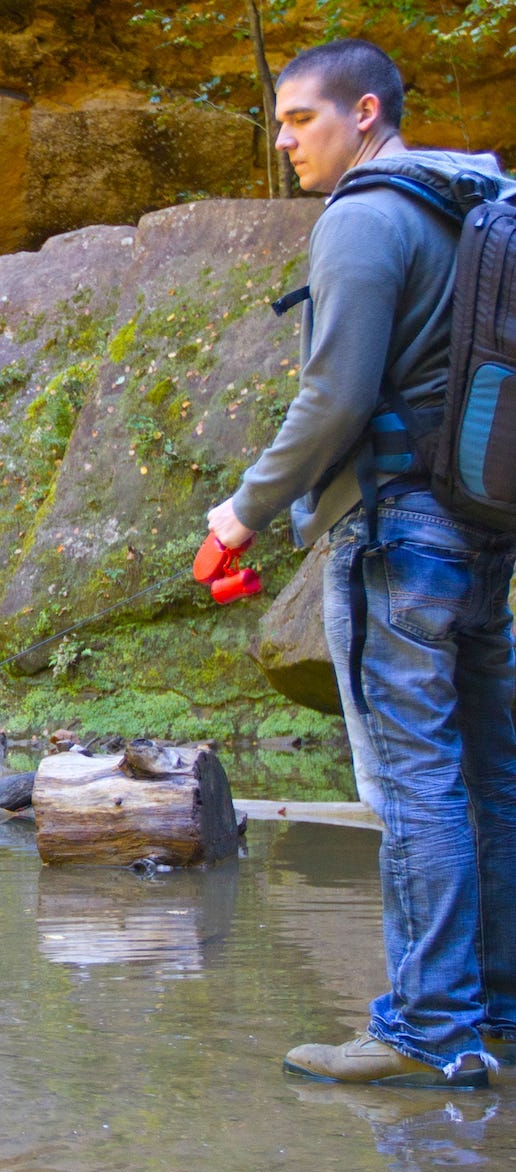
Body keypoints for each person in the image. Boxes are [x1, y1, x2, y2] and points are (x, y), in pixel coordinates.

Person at [206, 39, 516, 1087]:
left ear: (366, 111)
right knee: (491, 772)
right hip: (484, 523)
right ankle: (498, 1011)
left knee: (419, 783)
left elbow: (334, 398)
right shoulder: (472, 206)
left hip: (397, 533)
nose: (284, 139)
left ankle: (430, 1026)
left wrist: (243, 513)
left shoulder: (364, 217)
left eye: (299, 118)